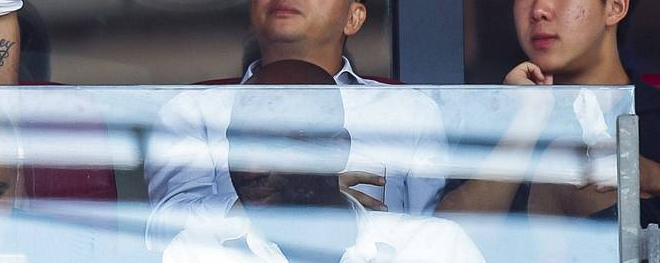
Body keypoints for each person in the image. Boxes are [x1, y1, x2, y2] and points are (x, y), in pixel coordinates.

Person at [146, 0, 447, 248]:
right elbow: (165, 235)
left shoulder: (408, 110)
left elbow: (426, 240)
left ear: (354, 16)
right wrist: (304, 197)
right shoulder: (195, 110)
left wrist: (332, 209)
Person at [439, 0, 660, 221]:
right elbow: (446, 238)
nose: (538, 9)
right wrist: (525, 122)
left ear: (615, 6)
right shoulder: (490, 119)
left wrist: (655, 176)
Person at [162, 60, 484, 263]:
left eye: (275, 143)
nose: (250, 168)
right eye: (240, 143)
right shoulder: (197, 254)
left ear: (335, 151)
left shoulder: (434, 250)